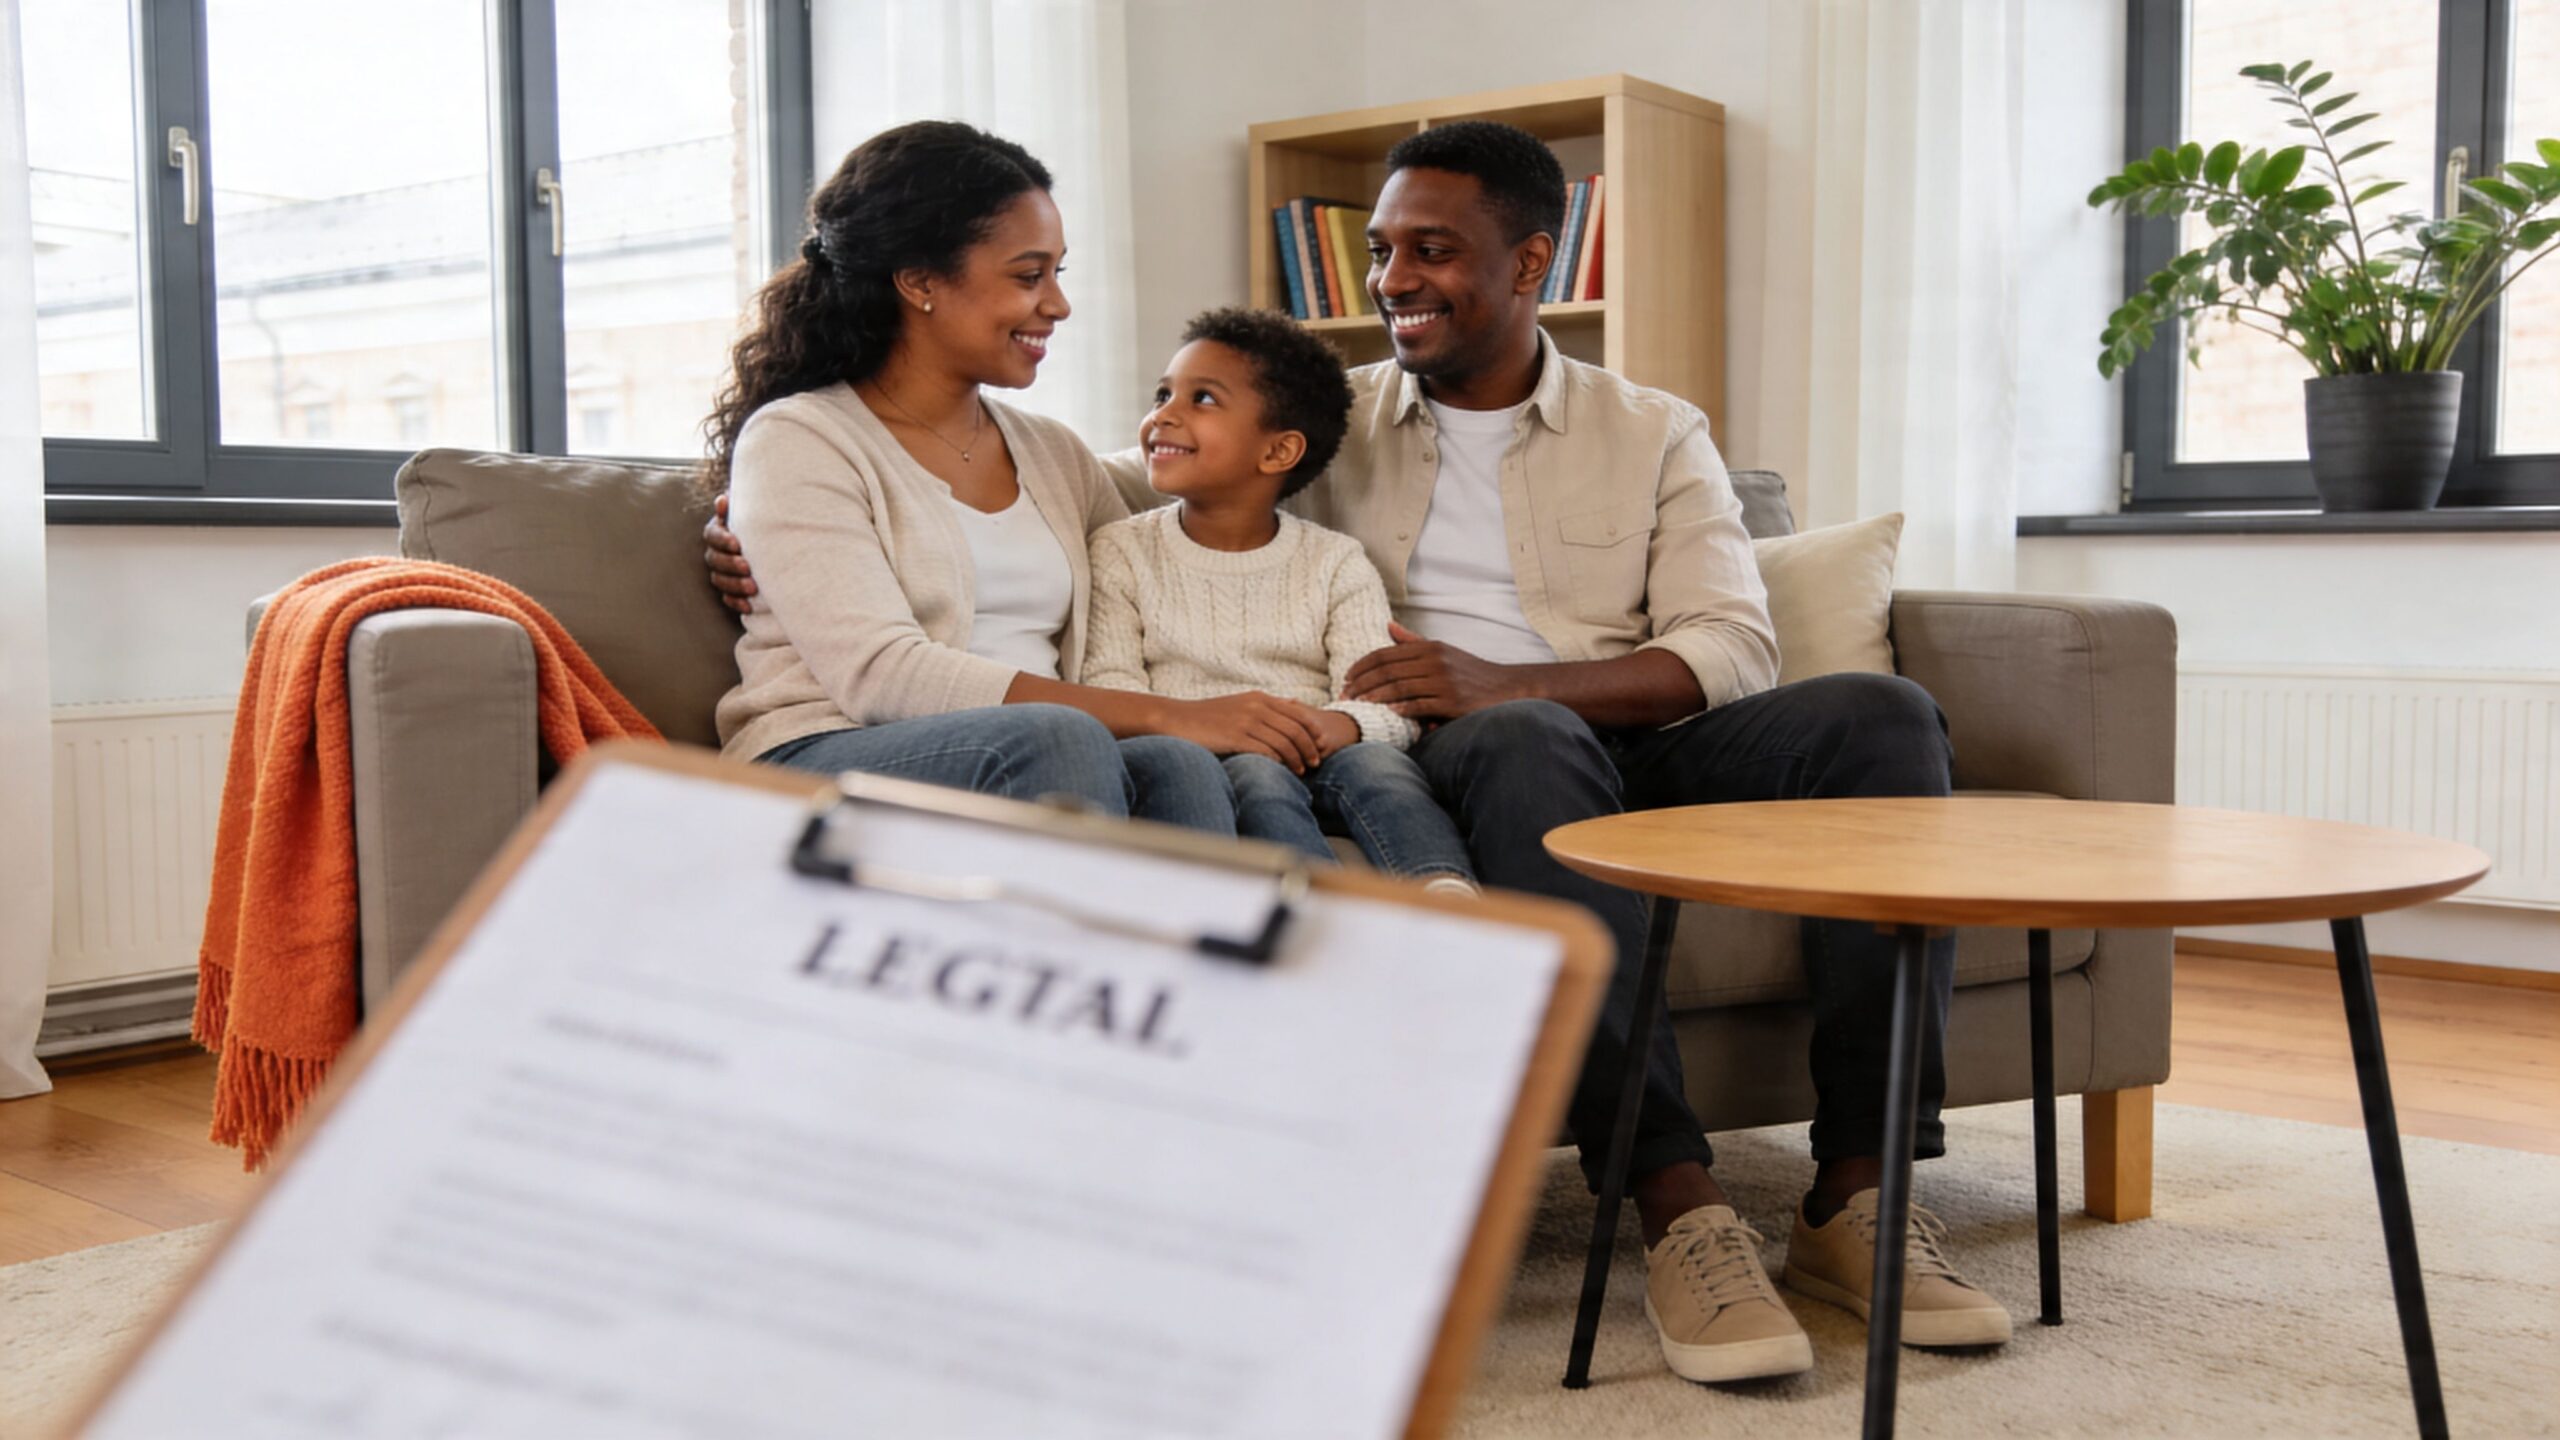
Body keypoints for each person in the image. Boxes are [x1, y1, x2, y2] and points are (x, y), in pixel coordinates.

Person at [709, 121, 2008, 1383]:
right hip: (1466, 756)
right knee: (1499, 740)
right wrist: (751, 531)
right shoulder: (1317, 421)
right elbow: (1146, 478)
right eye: (1381, 251)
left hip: (1612, 730)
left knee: (1881, 717)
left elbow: (1732, 647)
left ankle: (1862, 1193)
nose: (1391, 281)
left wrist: (1514, 673)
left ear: (1529, 262)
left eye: (1430, 251)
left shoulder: (1652, 428)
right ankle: (1672, 1199)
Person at [709, 121, 1347, 829]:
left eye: (1057, 273)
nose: (1057, 304)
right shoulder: (801, 438)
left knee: (1175, 761)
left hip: (1049, 756)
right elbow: (882, 676)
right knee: (1070, 735)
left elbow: (1168, 565)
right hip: (826, 751)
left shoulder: (1055, 455)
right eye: (1026, 275)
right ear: (919, 280)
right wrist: (1172, 712)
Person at [1087, 306, 1477, 894]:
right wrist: (1215, 731)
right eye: (1163, 394)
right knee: (1256, 776)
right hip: (1208, 759)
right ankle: (1311, 909)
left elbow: (1390, 705)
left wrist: (1331, 726)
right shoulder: (1121, 550)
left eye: (1203, 400)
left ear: (1277, 452)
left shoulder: (1335, 560)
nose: (1163, 416)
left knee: (1380, 768)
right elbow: (1110, 688)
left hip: (1324, 750)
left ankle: (1444, 892)